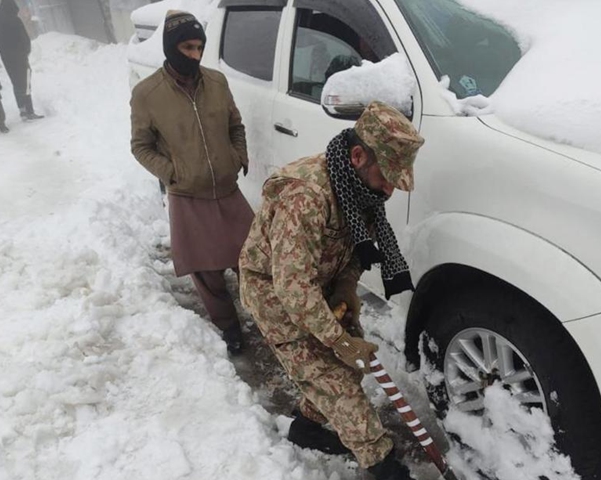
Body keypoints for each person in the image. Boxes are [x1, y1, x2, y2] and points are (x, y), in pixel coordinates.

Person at [238, 101, 425, 480]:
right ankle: (384, 465)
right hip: (275, 293)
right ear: (358, 156)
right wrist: (337, 340)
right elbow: (292, 288)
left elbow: (354, 248)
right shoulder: (305, 196)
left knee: (347, 368)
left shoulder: (362, 191)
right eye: (387, 175)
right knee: (339, 385)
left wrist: (345, 285)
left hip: (317, 284)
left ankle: (306, 427)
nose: (390, 188)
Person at [130, 11, 254, 355]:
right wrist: (173, 173)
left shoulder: (217, 82)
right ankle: (229, 328)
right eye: (187, 47)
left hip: (228, 191)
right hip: (188, 194)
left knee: (252, 260)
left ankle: (265, 316)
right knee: (207, 271)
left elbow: (236, 127)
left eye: (199, 47)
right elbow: (140, 146)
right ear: (171, 47)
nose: (195, 55)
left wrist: (238, 156)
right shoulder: (147, 93)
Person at [0, 0, 43, 120]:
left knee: (16, 82)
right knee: (26, 81)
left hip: (6, 57)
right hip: (20, 56)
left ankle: (22, 109)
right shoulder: (14, 20)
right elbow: (24, 37)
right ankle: (30, 110)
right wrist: (26, 50)